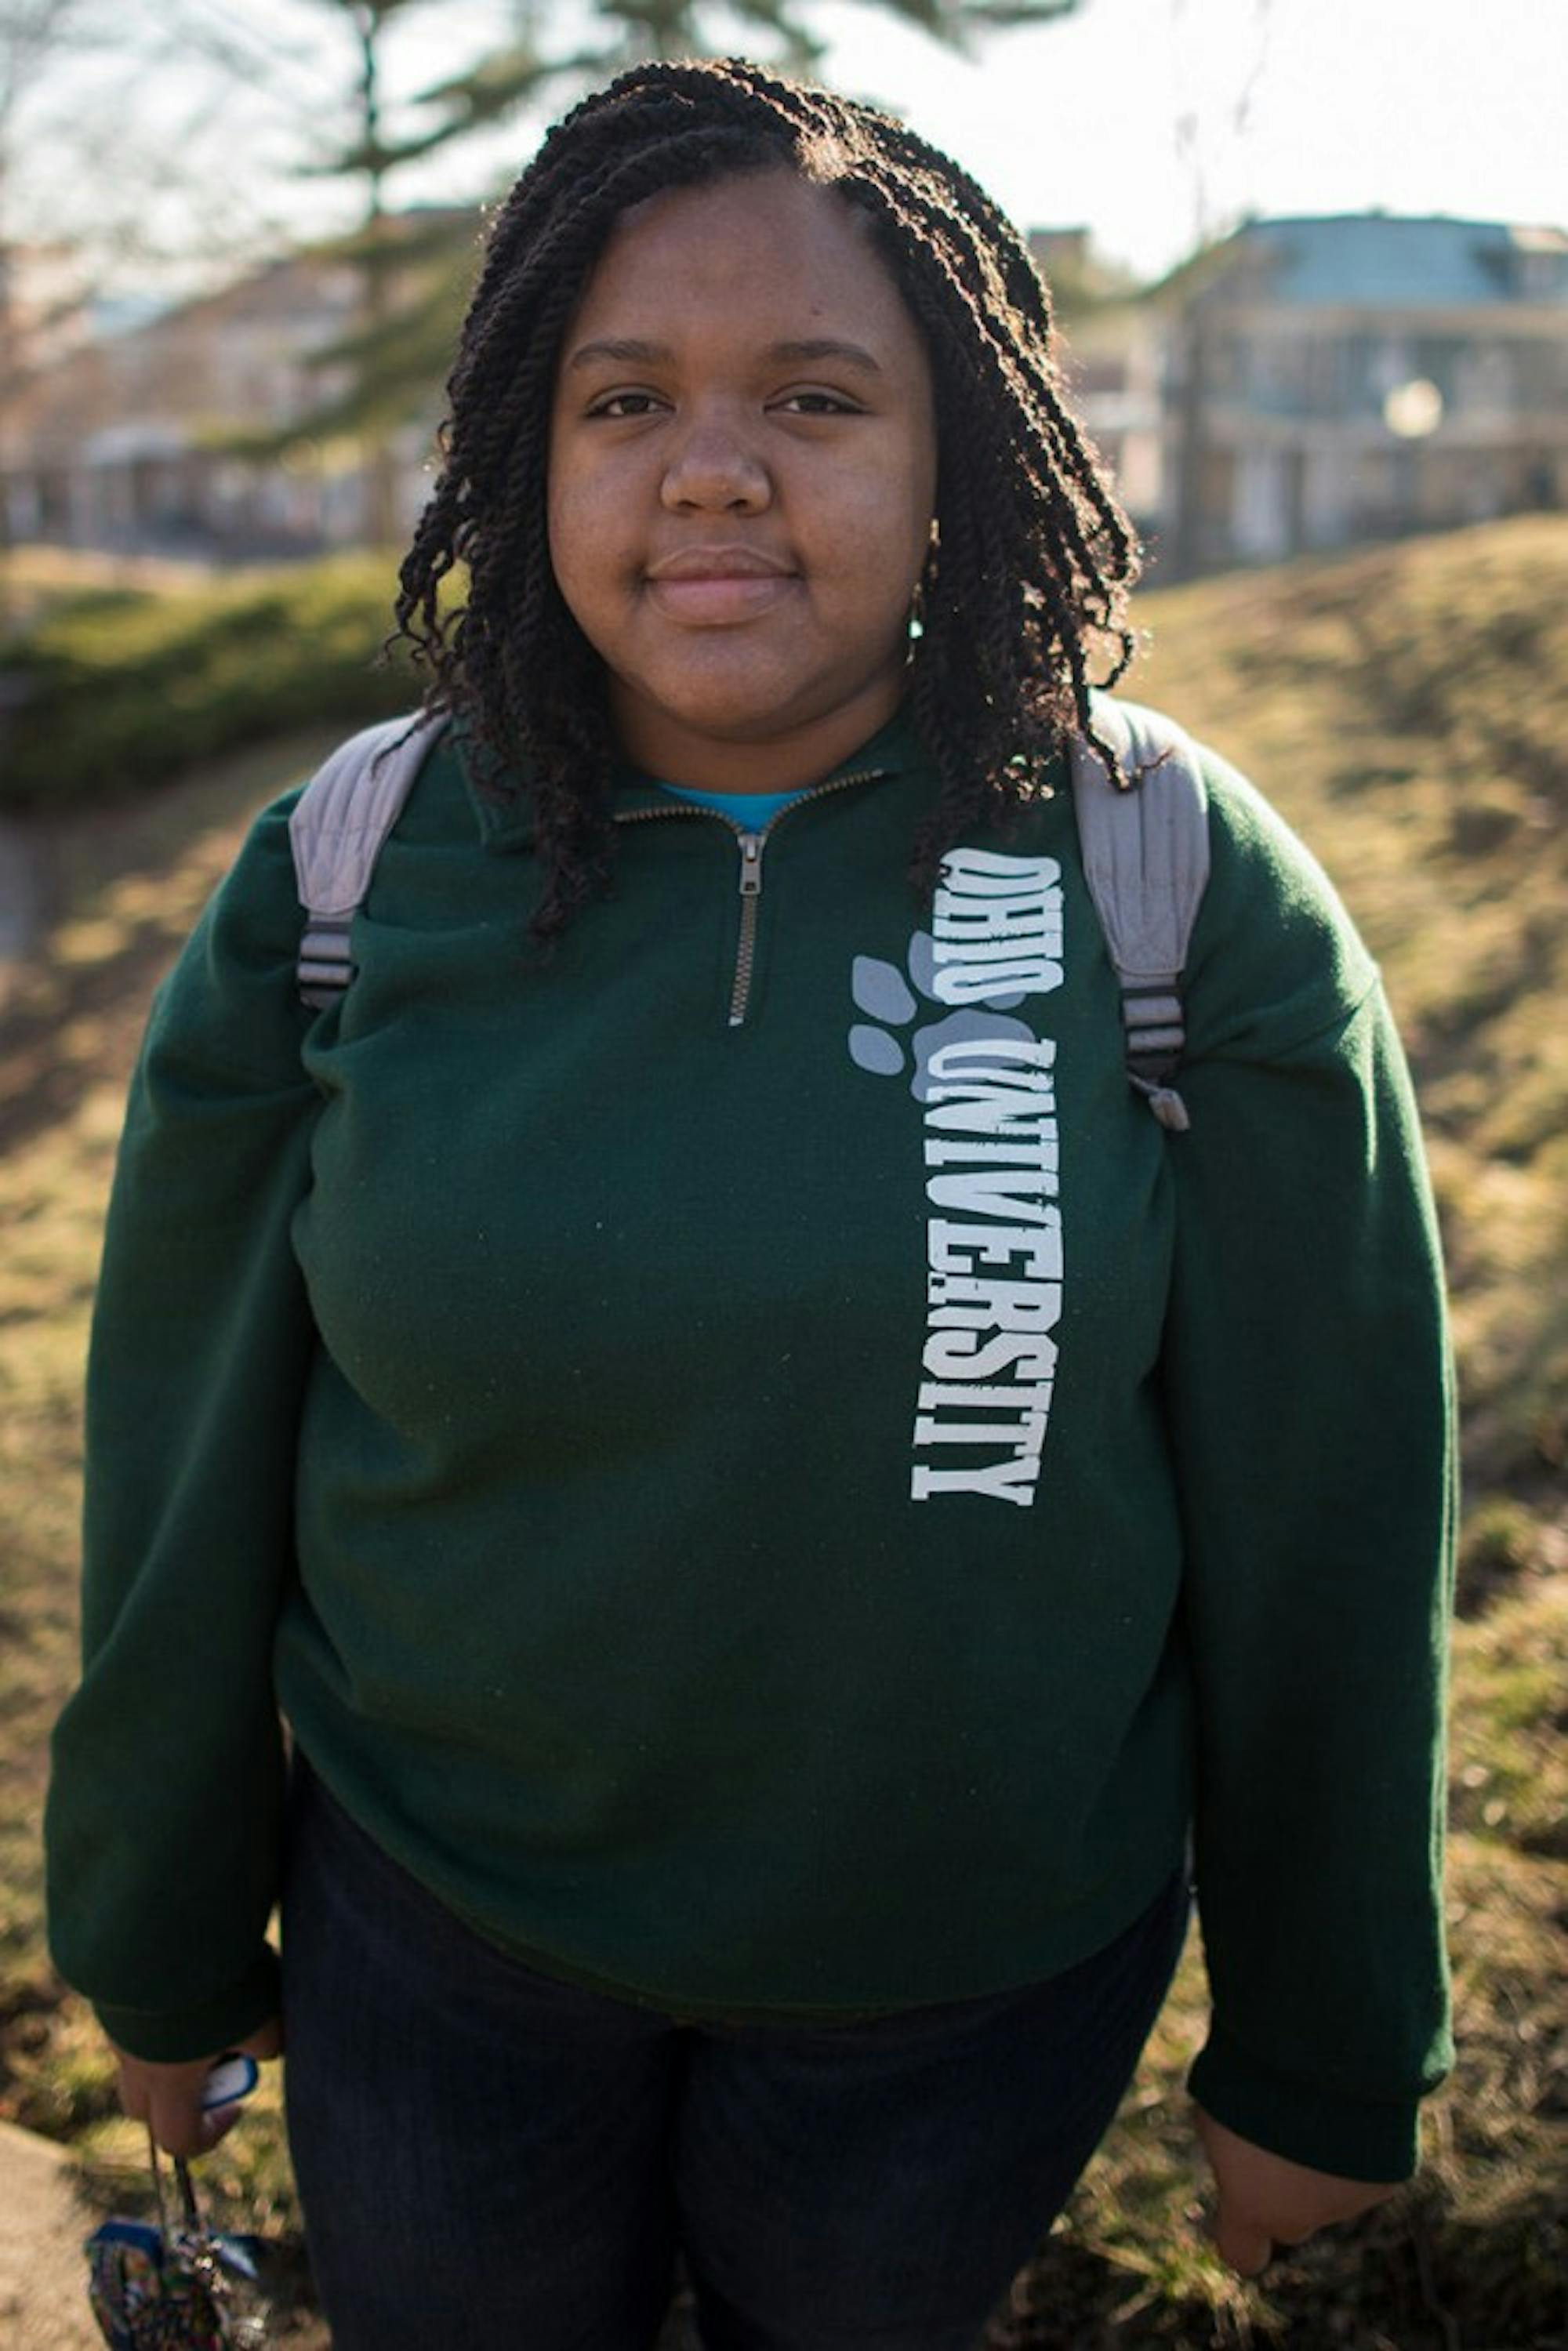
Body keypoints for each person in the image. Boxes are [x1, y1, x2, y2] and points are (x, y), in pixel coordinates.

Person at [45, 56, 1454, 2351]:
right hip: (435, 1939)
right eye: (624, 402)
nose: (712, 467)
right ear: (529, 453)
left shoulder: (1172, 886)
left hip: (968, 1989)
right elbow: (182, 1473)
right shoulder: (347, 876)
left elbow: (1334, 1514)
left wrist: (1325, 2040)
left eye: (814, 395)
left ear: (951, 450)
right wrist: (159, 1935)